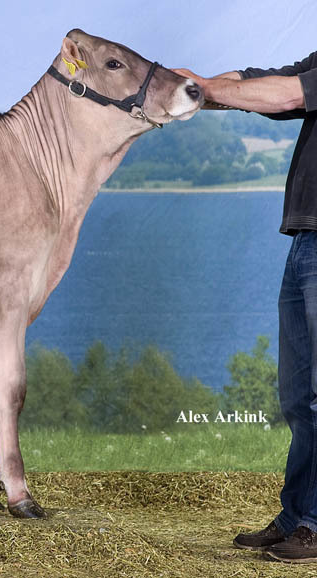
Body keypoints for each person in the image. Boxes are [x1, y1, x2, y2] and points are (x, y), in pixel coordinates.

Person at [174, 54, 317, 563]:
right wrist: (191, 86)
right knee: (298, 398)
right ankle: (296, 515)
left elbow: (288, 95)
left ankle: (315, 523)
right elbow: (262, 82)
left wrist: (204, 88)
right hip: (305, 238)